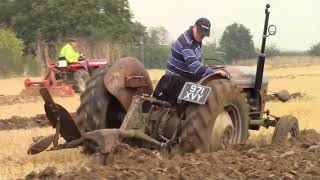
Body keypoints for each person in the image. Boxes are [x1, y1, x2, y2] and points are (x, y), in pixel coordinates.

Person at [165, 17, 226, 81]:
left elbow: (197, 62)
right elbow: (195, 68)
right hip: (174, 81)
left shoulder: (196, 39)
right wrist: (213, 73)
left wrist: (208, 69)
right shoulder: (186, 43)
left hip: (185, 78)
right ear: (194, 27)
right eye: (199, 32)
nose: (200, 36)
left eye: (203, 35)